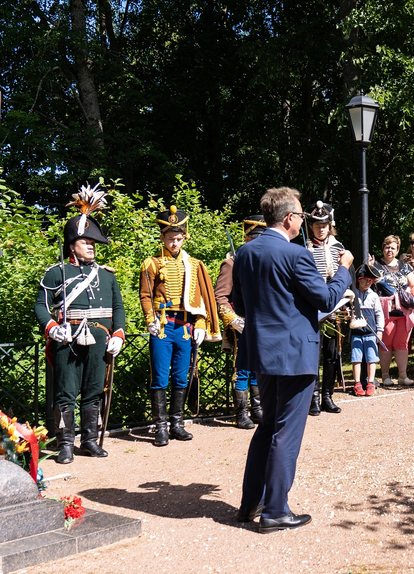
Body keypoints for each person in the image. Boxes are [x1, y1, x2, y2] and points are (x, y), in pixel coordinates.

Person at [235, 186, 354, 532]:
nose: (303, 221)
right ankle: (275, 510)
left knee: (267, 425)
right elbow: (325, 297)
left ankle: (250, 503)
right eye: (301, 216)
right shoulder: (296, 255)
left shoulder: (245, 253)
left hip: (262, 351)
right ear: (289, 218)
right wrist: (344, 269)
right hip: (294, 352)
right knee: (286, 430)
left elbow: (241, 306)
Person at [34, 185, 125, 464]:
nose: (92, 246)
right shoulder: (56, 273)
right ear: (72, 244)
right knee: (65, 393)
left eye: (93, 243)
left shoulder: (107, 276)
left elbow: (118, 308)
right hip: (67, 337)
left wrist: (118, 334)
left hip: (99, 339)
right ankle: (65, 444)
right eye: (86, 242)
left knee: (94, 390)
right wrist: (52, 327)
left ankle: (88, 440)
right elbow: (40, 306)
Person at [139, 205, 221, 446]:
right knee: (160, 378)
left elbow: (202, 299)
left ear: (184, 237)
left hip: (185, 327)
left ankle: (177, 424)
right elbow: (145, 296)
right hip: (163, 326)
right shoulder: (151, 264)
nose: (175, 243)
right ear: (162, 237)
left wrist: (201, 323)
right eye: (170, 238)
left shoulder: (194, 264)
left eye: (178, 238)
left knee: (181, 377)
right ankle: (160, 427)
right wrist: (149, 319)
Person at [215, 214, 267, 429]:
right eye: (253, 239)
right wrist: (232, 319)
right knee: (243, 368)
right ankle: (241, 413)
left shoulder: (266, 262)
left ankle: (257, 409)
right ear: (246, 239)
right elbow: (220, 296)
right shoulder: (231, 263)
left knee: (258, 368)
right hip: (242, 324)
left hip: (263, 323)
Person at [305, 202, 346, 415]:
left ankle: (327, 396)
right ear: (311, 226)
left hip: (334, 306)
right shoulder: (305, 248)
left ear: (330, 225)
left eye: (324, 225)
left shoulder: (339, 248)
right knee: (313, 354)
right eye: (317, 225)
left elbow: (344, 277)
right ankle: (312, 398)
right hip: (312, 308)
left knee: (331, 354)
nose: (321, 228)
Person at [373, 235, 414, 386]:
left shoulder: (404, 266)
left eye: (393, 248)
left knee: (402, 343)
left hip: (404, 310)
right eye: (387, 247)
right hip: (384, 309)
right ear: (383, 248)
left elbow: (413, 286)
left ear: (398, 249)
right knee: (385, 341)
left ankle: (402, 375)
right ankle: (385, 376)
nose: (389, 250)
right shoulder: (375, 265)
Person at [349, 265, 385, 397]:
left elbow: (379, 314)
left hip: (371, 333)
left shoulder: (374, 296)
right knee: (356, 359)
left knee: (371, 359)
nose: (368, 283)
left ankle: (370, 382)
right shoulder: (352, 295)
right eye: (365, 280)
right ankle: (357, 383)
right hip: (356, 333)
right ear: (358, 280)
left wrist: (379, 331)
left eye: (371, 281)